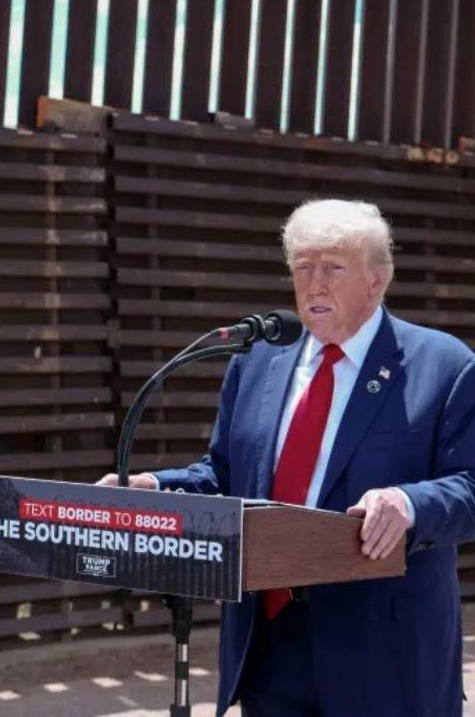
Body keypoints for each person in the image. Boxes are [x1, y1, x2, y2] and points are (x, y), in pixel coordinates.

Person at [99, 198, 475, 717]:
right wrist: (157, 488)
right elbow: (225, 475)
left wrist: (408, 504)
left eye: (332, 268)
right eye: (302, 268)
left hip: (382, 647)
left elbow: (470, 485)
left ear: (377, 280)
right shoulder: (257, 362)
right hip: (269, 636)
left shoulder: (444, 364)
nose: (314, 284)